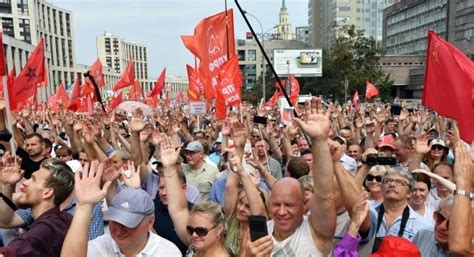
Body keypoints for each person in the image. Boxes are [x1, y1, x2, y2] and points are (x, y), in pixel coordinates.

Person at [248, 97, 336, 256]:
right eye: (276, 204)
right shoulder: (259, 237)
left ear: (304, 205)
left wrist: (320, 141)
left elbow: (324, 194)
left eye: (289, 205)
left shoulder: (316, 232)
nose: (281, 212)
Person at [61, 161, 181, 257]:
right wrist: (84, 206)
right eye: (115, 221)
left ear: (150, 222)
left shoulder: (167, 253)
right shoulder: (102, 245)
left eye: (128, 224)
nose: (118, 231)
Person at [160, 136, 231, 257]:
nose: (194, 235)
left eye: (201, 231)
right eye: (190, 230)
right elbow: (178, 210)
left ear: (219, 229)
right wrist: (169, 168)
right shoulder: (196, 246)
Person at [0, 158, 75, 257]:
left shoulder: (49, 228)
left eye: (33, 180)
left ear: (47, 193)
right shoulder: (58, 218)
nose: (25, 182)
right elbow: (5, 220)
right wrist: (6, 184)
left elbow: (9, 254)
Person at [367, 167, 433, 252]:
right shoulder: (369, 212)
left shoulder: (423, 226)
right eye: (387, 181)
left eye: (399, 182)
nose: (392, 184)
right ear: (382, 188)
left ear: (409, 193)